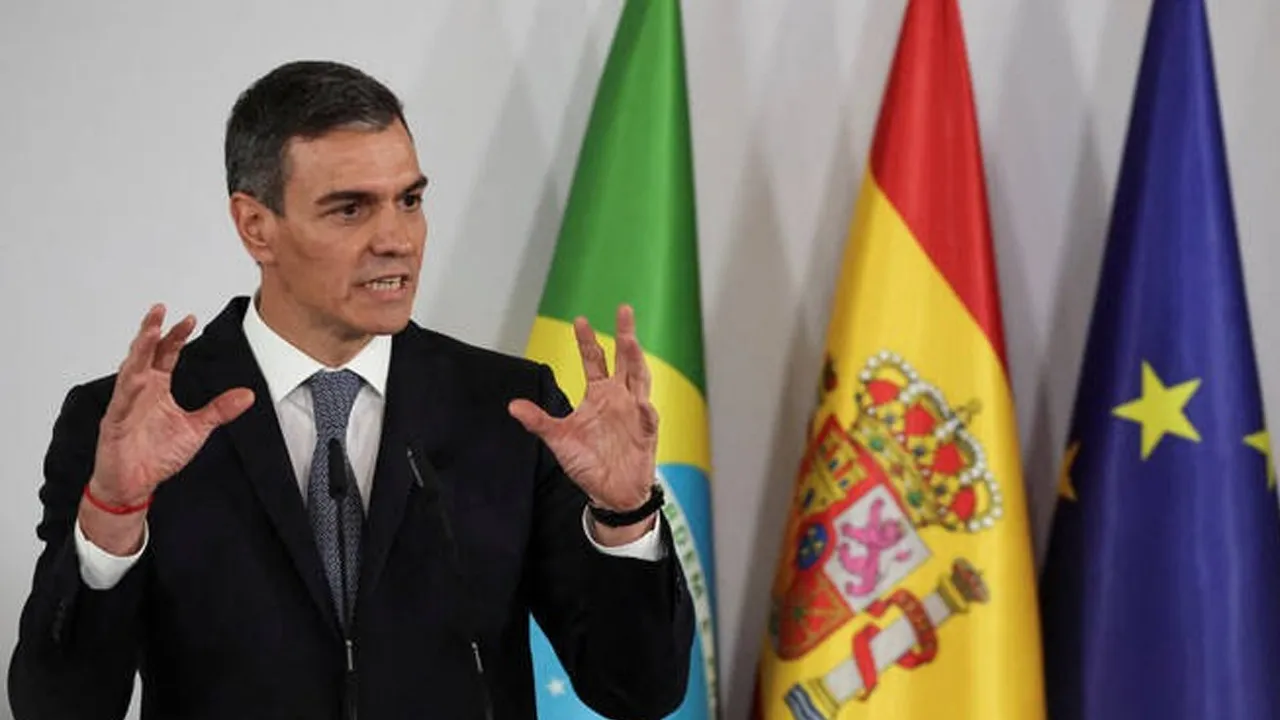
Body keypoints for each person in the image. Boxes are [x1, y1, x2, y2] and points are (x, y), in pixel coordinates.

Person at [8, 60, 694, 720]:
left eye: (410, 200)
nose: (396, 239)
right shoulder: (132, 424)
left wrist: (624, 519)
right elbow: (57, 707)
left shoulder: (510, 409)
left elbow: (638, 690)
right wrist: (114, 515)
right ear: (256, 226)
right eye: (349, 209)